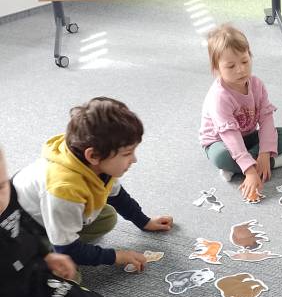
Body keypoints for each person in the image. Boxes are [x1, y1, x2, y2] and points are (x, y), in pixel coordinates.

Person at [12, 97, 173, 274]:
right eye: (127, 153)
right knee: (68, 278)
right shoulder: (64, 189)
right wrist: (116, 256)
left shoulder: (95, 161)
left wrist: (145, 222)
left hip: (50, 216)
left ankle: (60, 239)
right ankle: (38, 257)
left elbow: (117, 195)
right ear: (93, 156)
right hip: (21, 232)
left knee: (107, 217)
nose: (134, 159)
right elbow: (67, 251)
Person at [0, 146, 112, 297]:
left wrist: (46, 255)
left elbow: (24, 227)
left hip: (31, 278)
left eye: (0, 186)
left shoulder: (8, 196)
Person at [199, 24, 282, 202]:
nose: (241, 70)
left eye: (245, 62)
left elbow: (266, 119)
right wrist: (250, 171)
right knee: (221, 158)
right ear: (217, 69)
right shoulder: (219, 97)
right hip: (220, 141)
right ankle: (275, 162)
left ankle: (242, 166)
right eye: (231, 66)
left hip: (247, 136)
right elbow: (230, 135)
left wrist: (264, 153)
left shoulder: (256, 84)